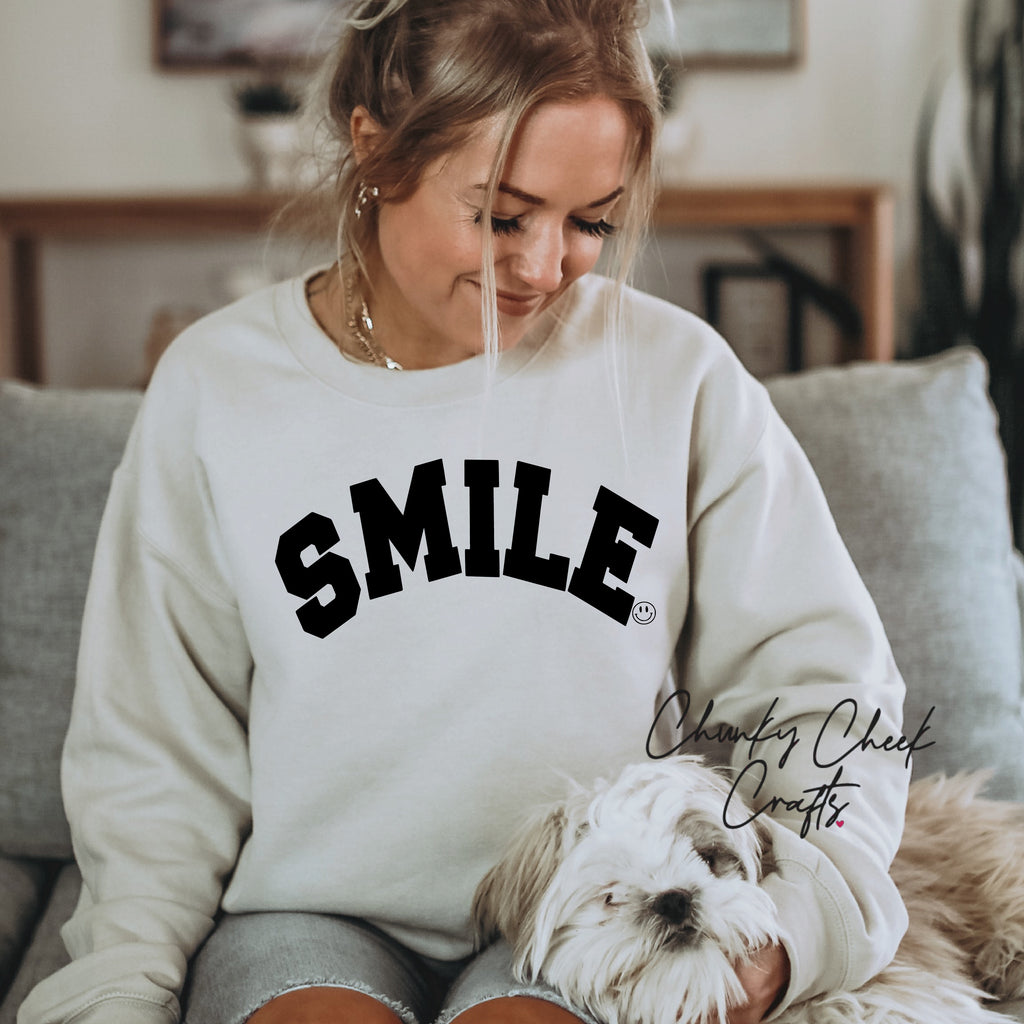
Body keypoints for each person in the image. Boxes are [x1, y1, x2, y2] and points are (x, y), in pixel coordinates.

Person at [19, 1, 910, 1023]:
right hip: (306, 918)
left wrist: (801, 922)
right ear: (377, 154)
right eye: (499, 214)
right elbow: (153, 762)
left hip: (582, 915)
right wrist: (119, 992)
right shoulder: (218, 388)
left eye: (590, 222)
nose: (541, 268)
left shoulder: (680, 379)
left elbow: (830, 701)